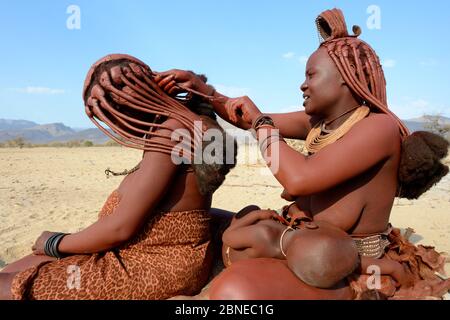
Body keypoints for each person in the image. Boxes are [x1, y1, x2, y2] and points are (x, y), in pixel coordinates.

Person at [155, 8, 450, 299]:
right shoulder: (319, 124)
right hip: (299, 240)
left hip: (339, 263)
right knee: (209, 221)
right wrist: (204, 89)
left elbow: (297, 180)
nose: (303, 84)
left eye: (311, 74)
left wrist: (260, 122)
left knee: (233, 290)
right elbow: (244, 118)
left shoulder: (379, 128)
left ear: (345, 78)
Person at [0, 54, 237, 300]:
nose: (111, 114)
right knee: (12, 270)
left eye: (109, 102)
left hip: (153, 265)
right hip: (144, 254)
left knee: (5, 285)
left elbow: (120, 229)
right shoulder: (177, 125)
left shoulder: (173, 129)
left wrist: (54, 242)